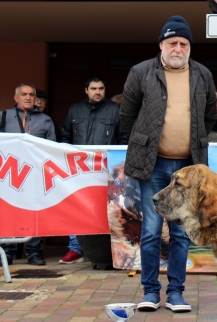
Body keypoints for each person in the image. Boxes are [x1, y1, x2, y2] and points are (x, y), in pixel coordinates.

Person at [120, 15, 217, 313]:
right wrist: (144, 142)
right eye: (172, 42)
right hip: (153, 165)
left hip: (187, 169)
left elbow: (210, 115)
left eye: (184, 43)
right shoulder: (141, 72)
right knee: (150, 230)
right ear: (161, 44)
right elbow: (127, 114)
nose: (178, 48)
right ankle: (150, 292)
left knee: (180, 232)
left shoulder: (202, 75)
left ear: (190, 46)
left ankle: (176, 293)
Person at [58, 76, 129, 264]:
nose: (98, 92)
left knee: (107, 208)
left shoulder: (115, 110)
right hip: (78, 168)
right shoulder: (75, 110)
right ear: (86, 90)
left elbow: (123, 138)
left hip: (105, 168)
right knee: (76, 206)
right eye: (94, 88)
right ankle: (75, 249)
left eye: (101, 88)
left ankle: (110, 251)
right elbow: (64, 136)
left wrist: (117, 165)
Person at [0, 83, 55, 266]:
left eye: (31, 94)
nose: (28, 97)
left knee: (33, 213)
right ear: (16, 98)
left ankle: (34, 252)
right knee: (9, 212)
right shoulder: (4, 116)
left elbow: (52, 148)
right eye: (24, 94)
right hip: (9, 174)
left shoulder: (45, 120)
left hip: (35, 175)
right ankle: (7, 253)